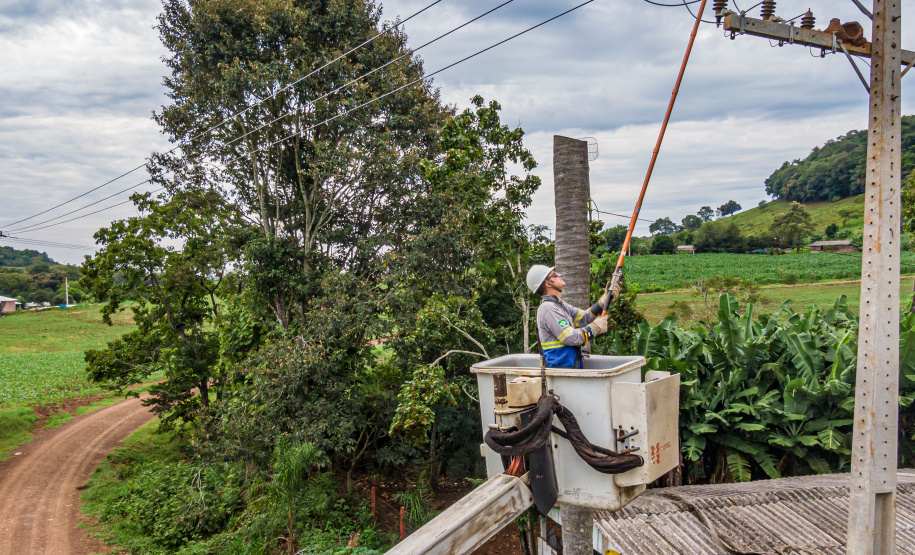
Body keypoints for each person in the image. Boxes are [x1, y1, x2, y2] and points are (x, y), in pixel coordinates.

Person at [526, 265, 620, 368]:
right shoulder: (548, 308)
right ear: (548, 283)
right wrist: (595, 328)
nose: (559, 275)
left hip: (570, 370)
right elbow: (570, 338)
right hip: (561, 373)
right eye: (555, 275)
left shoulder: (559, 305)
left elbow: (585, 318)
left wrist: (604, 300)